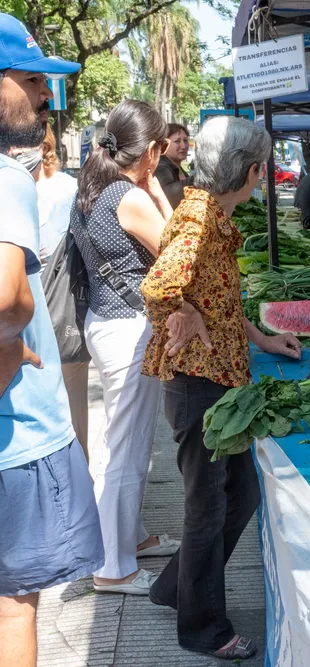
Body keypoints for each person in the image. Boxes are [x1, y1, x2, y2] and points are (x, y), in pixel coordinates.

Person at [141, 116, 302, 660]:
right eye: (263, 170)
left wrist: (261, 338)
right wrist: (185, 313)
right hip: (199, 386)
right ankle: (204, 629)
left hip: (221, 384)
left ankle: (173, 589)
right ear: (254, 170)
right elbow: (160, 286)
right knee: (207, 508)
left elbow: (221, 302)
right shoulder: (200, 222)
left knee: (244, 494)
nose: (263, 178)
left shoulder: (212, 214)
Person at [0, 15, 104, 667]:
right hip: (18, 442)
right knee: (13, 610)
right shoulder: (9, 176)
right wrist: (10, 338)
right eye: (33, 80)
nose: (47, 97)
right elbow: (7, 297)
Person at [70, 99, 179, 596]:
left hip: (104, 322)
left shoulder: (91, 187)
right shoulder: (128, 196)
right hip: (129, 329)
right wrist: (157, 192)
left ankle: (130, 539)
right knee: (126, 450)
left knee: (124, 441)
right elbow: (183, 256)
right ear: (152, 150)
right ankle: (113, 568)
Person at [11, 126, 91, 459]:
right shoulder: (66, 187)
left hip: (49, 307)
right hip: (40, 307)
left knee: (65, 404)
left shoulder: (64, 188)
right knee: (67, 406)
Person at [154, 123, 189, 209]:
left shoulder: (178, 168)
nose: (183, 146)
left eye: (185, 140)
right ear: (164, 144)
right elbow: (170, 196)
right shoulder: (161, 168)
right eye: (177, 141)